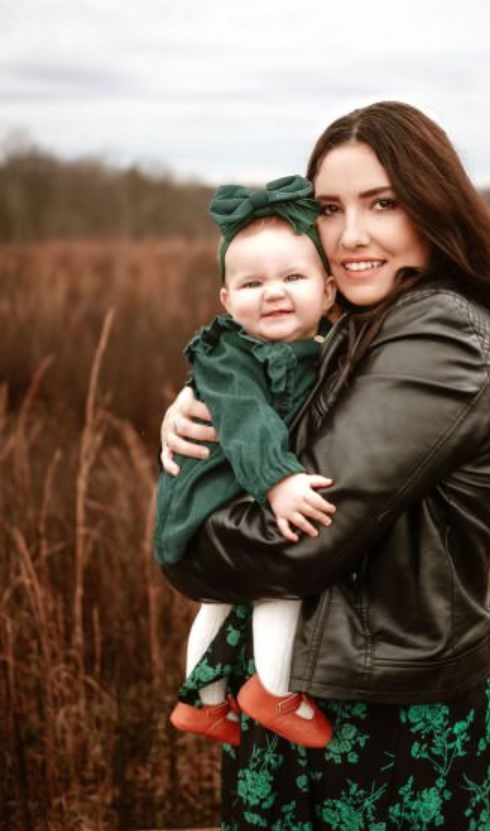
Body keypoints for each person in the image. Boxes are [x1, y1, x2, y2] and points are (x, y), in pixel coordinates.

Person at [159, 101, 490, 830]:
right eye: (329, 209)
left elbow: (295, 542)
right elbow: (274, 410)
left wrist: (182, 532)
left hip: (391, 737)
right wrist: (200, 407)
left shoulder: (439, 336)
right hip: (306, 708)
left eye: (383, 204)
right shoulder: (359, 328)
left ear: (432, 207)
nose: (350, 235)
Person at [155, 175, 336, 748]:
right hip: (211, 498)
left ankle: (204, 703)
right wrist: (279, 482)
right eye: (253, 283)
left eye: (293, 278)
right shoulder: (229, 356)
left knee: (223, 597)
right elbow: (248, 422)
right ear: (228, 302)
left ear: (328, 291)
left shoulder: (326, 343)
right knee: (277, 580)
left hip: (232, 496)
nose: (274, 292)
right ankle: (272, 692)